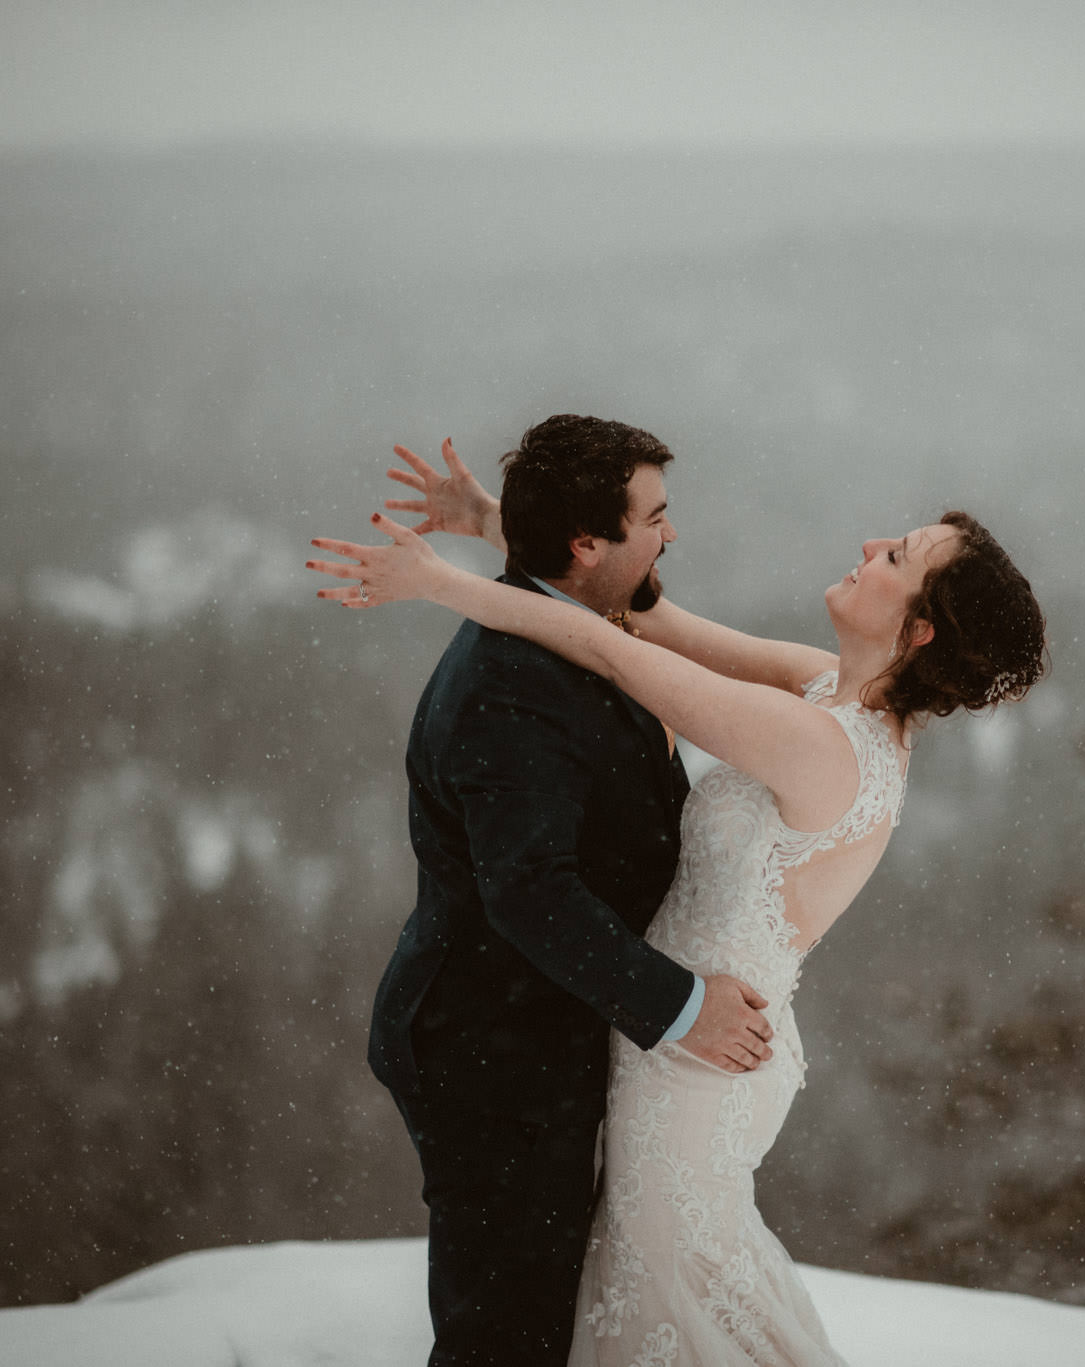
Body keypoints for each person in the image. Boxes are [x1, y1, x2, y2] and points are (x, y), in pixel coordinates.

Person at [310, 423, 1048, 1365]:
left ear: (919, 629)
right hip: (685, 1038)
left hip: (698, 1063)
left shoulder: (819, 744)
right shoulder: (833, 694)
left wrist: (441, 582)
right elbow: (649, 618)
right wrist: (506, 525)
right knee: (657, 1297)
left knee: (671, 1301)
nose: (870, 547)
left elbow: (616, 650)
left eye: (896, 556)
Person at [327, 416, 777, 1367]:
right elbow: (530, 895)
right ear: (585, 546)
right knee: (507, 1327)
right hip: (490, 1049)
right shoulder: (509, 686)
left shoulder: (580, 612)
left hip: (538, 1032)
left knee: (541, 1303)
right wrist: (682, 1006)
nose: (671, 536)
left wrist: (490, 519)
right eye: (655, 518)